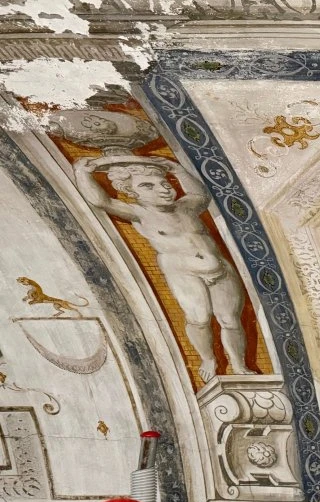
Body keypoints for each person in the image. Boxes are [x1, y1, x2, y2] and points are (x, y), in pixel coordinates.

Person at [74, 156, 255, 382]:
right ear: (132, 192)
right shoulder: (139, 213)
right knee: (199, 319)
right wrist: (83, 172)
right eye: (147, 186)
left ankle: (239, 365)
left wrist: (178, 170)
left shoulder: (186, 207)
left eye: (164, 183)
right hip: (183, 270)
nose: (163, 189)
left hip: (219, 268)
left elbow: (200, 195)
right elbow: (102, 201)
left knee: (230, 320)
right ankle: (208, 358)